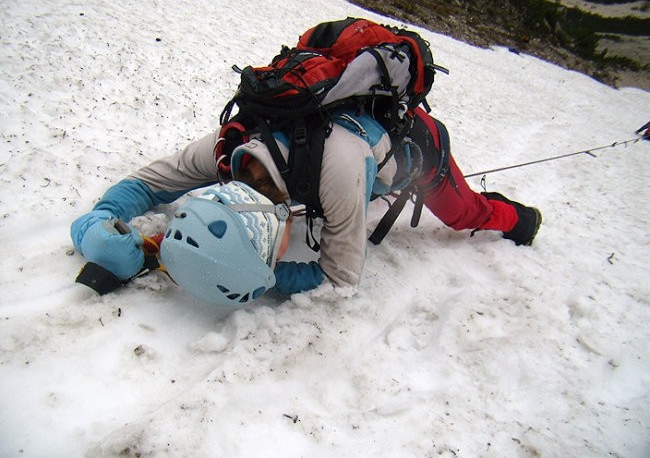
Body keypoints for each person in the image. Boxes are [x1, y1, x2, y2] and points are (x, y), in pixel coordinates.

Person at [70, 106, 541, 303]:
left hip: (418, 142)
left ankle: (520, 218)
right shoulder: (230, 146)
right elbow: (149, 183)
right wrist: (102, 220)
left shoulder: (338, 172)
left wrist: (263, 277)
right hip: (349, 150)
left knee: (466, 214)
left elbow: (341, 278)